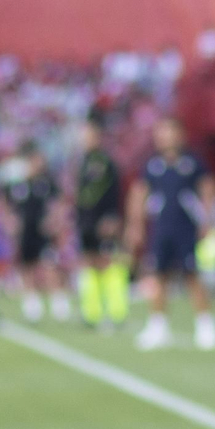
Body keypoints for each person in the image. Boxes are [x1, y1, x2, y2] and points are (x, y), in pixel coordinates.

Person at [126, 117, 215, 351]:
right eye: (161, 132)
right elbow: (139, 194)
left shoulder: (192, 162)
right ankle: (158, 327)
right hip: (160, 227)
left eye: (169, 132)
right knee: (158, 276)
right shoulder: (151, 165)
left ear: (180, 135)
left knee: (192, 275)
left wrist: (207, 220)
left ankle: (205, 325)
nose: (164, 137)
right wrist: (135, 225)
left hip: (186, 227)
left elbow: (209, 188)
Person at [0, 141, 69, 323]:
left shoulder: (45, 182)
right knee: (26, 265)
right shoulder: (17, 184)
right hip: (24, 232)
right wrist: (9, 221)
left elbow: (61, 201)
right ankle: (32, 302)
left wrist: (55, 221)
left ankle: (58, 300)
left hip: (42, 231)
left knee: (49, 264)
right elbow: (3, 203)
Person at [74, 118, 130, 332]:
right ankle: (92, 312)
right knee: (89, 265)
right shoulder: (85, 161)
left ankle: (116, 312)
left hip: (101, 221)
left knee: (107, 264)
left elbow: (112, 192)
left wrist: (111, 217)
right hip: (86, 222)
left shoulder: (104, 162)